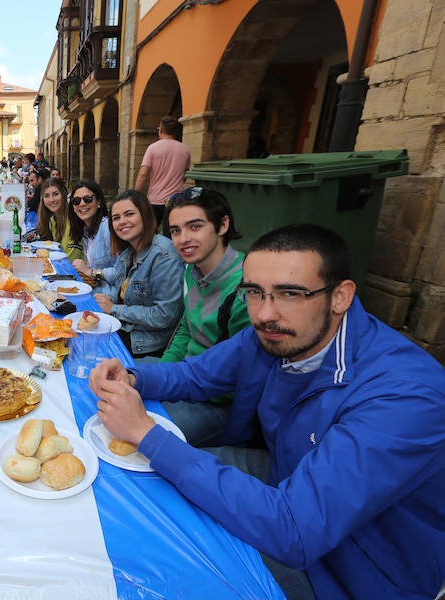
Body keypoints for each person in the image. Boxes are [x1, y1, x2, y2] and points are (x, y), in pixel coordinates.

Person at [89, 224, 445, 600]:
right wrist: (134, 376)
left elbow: (295, 530)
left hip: (351, 572)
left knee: (172, 558)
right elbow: (197, 373)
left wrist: (147, 434)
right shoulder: (277, 333)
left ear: (340, 296)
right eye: (255, 293)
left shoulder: (404, 396)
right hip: (284, 479)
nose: (264, 313)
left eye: (290, 293)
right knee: (151, 485)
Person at [157, 186, 251, 446]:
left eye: (195, 226)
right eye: (175, 230)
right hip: (186, 377)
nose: (182, 239)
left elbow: (244, 376)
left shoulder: (248, 287)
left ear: (222, 225)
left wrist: (172, 387)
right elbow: (187, 330)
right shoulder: (191, 270)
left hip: (218, 401)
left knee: (138, 435)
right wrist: (163, 375)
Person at [94, 189, 184, 359]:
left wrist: (113, 309)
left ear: (144, 215)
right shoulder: (128, 252)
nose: (122, 222)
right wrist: (109, 300)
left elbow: (165, 315)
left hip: (146, 341)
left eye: (129, 214)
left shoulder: (164, 255)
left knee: (87, 347)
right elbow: (122, 290)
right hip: (124, 326)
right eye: (116, 218)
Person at [133, 116, 190, 224]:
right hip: (177, 200)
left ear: (161, 130)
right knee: (173, 232)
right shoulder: (185, 149)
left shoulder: (153, 148)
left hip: (155, 200)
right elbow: (185, 174)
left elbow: (143, 174)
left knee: (150, 232)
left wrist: (136, 195)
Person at [68, 179, 114, 282]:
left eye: (88, 199)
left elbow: (122, 272)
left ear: (99, 201)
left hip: (108, 294)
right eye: (76, 201)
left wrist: (90, 272)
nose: (82, 204)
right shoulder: (85, 230)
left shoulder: (107, 228)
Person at [35, 177, 82, 262]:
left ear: (63, 194)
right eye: (47, 196)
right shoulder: (52, 220)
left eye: (56, 194)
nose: (52, 200)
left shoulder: (74, 219)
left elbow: (71, 258)